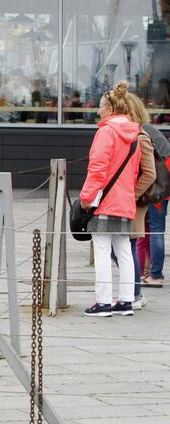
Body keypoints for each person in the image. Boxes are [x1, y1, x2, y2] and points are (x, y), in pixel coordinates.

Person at [80, 81, 142, 317]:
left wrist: (86, 198)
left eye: (100, 107)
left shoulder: (106, 132)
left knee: (103, 250)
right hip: (125, 200)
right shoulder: (134, 134)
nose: (98, 111)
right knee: (124, 249)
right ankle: (126, 301)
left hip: (104, 200)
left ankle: (103, 302)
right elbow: (134, 172)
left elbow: (97, 169)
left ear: (109, 108)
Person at [123, 93, 156, 311]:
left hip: (135, 201)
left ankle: (135, 292)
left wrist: (132, 195)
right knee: (126, 248)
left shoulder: (141, 137)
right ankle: (134, 291)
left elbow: (150, 174)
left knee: (129, 247)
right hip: (129, 200)